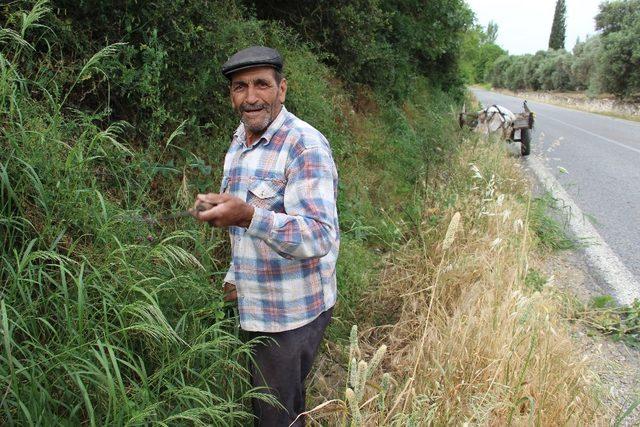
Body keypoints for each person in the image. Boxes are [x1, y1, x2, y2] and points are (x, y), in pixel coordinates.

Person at [191, 46, 339, 426]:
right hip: (253, 303)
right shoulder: (241, 139)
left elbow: (319, 235)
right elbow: (244, 226)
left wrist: (248, 215)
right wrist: (233, 277)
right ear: (231, 96)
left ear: (282, 89)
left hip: (291, 313)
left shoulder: (304, 145)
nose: (251, 96)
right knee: (275, 406)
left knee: (275, 417)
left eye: (262, 84)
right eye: (240, 87)